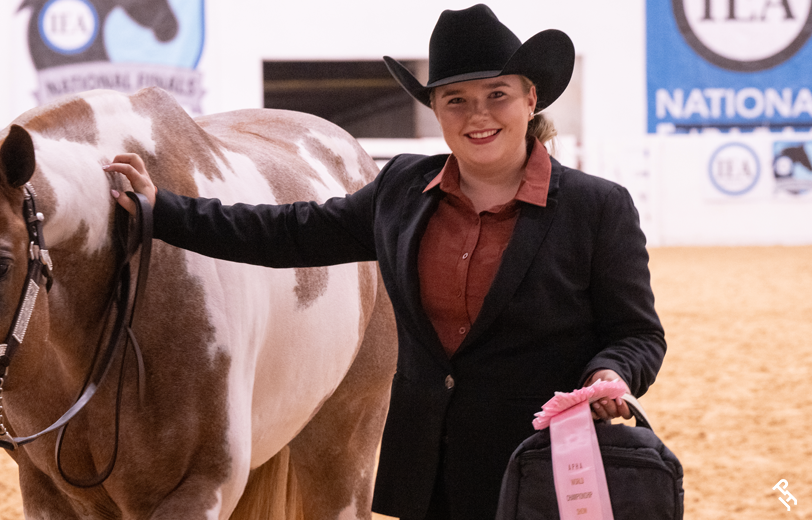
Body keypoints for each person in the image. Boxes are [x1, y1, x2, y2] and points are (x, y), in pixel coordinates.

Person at [103, 4, 665, 519]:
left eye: (497, 94)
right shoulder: (401, 188)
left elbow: (638, 334)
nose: (478, 115)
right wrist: (163, 211)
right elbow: (284, 233)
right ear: (436, 111)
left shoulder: (598, 207)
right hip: (430, 478)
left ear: (531, 100)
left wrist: (611, 372)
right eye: (456, 100)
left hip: (548, 474)